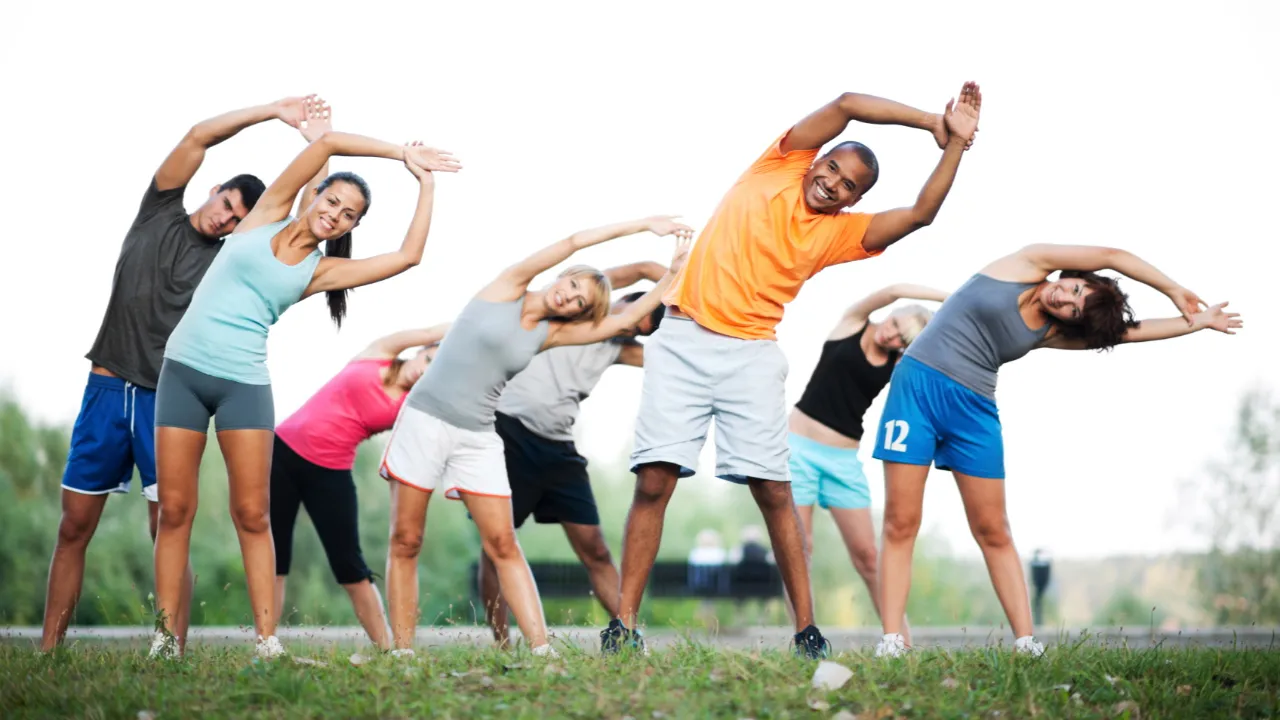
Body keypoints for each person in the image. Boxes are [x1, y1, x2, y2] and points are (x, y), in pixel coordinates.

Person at [608, 82, 982, 658]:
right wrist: (932, 119)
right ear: (819, 158)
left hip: (751, 353)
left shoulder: (839, 234)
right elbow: (850, 102)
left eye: (846, 186)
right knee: (654, 479)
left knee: (775, 491)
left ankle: (807, 631)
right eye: (831, 168)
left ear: (851, 200)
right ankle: (623, 628)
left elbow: (920, 214)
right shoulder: (780, 164)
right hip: (681, 337)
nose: (831, 182)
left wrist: (953, 145)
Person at [150, 96, 463, 659]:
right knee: (175, 510)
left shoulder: (321, 271)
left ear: (350, 228)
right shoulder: (267, 210)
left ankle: (267, 641)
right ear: (315, 193)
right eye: (333, 201)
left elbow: (409, 256)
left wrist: (425, 182)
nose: (336, 215)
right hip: (183, 372)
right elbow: (326, 145)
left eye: (348, 216)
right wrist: (399, 152)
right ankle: (166, 639)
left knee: (253, 514)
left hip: (243, 383)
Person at [39, 96, 324, 652]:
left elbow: (298, 220)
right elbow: (197, 135)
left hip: (164, 396)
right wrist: (272, 112)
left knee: (167, 524)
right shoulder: (158, 209)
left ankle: (172, 646)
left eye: (241, 218)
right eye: (228, 203)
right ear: (215, 189)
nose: (227, 218)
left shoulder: (230, 258)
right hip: (104, 388)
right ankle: (49, 649)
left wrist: (318, 147)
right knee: (73, 526)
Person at [871, 243, 1242, 658]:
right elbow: (1114, 256)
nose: (1065, 299)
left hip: (973, 411)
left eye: (1075, 309)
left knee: (993, 529)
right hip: (916, 391)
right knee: (901, 521)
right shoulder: (1028, 264)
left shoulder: (1053, 331)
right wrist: (1175, 290)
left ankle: (1026, 644)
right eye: (1077, 290)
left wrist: (1196, 323)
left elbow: (1127, 334)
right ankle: (891, 641)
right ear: (1076, 276)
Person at [380, 217, 692, 658]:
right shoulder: (510, 285)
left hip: (479, 435)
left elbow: (625, 321)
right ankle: (403, 652)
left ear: (578, 312)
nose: (568, 295)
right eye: (572, 285)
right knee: (407, 539)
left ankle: (543, 652)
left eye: (579, 300)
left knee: (504, 542)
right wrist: (644, 225)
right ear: (563, 276)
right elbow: (574, 240)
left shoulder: (554, 333)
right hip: (427, 420)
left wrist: (677, 275)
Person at [478, 262, 668, 647]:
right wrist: (681, 282)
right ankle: (501, 641)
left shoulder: (617, 345)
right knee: (496, 542)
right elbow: (643, 269)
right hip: (509, 431)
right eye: (631, 317)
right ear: (623, 302)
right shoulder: (573, 307)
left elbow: (669, 359)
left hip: (558, 449)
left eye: (636, 330)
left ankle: (627, 635)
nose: (628, 327)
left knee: (595, 547)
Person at [272, 324, 450, 651]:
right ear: (423, 350)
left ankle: (387, 649)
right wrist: (468, 329)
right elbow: (433, 330)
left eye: (433, 375)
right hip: (279, 452)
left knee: (349, 563)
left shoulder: (413, 407)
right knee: (274, 555)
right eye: (429, 360)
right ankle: (265, 642)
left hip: (331, 470)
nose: (423, 373)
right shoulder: (379, 353)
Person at [787, 284, 948, 643]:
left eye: (900, 338)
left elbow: (937, 352)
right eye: (894, 324)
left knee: (868, 555)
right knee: (799, 547)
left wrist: (934, 324)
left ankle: (901, 640)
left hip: (844, 462)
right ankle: (804, 637)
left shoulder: (897, 364)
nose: (890, 334)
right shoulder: (853, 323)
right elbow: (893, 290)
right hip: (796, 450)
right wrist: (948, 297)